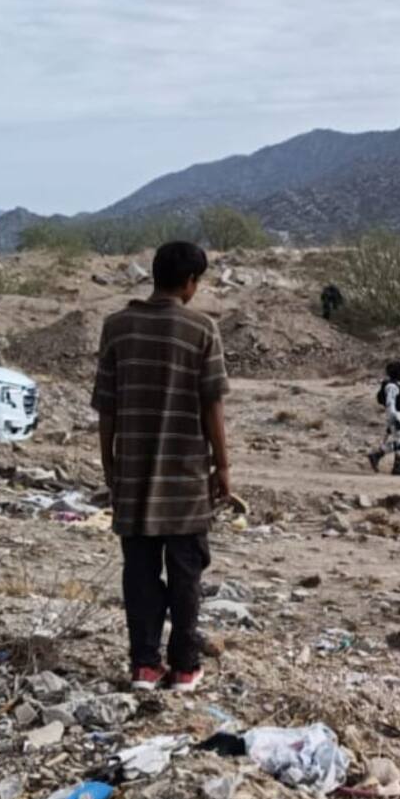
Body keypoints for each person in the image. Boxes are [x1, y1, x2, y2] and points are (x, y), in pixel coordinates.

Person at [92, 241, 230, 694]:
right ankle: (185, 668)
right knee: (187, 574)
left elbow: (106, 407)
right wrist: (222, 468)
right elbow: (213, 407)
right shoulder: (201, 329)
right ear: (191, 282)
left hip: (133, 476)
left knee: (140, 573)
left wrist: (110, 464)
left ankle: (145, 667)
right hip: (186, 480)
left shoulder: (116, 328)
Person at [368, 361, 400, 476]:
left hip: (398, 413)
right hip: (396, 414)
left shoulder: (397, 385)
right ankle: (377, 455)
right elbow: (390, 403)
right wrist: (394, 418)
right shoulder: (392, 386)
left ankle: (396, 466)